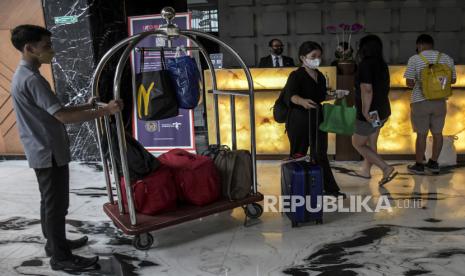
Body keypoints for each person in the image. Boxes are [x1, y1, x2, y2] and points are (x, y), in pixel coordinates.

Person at [10, 25, 123, 271]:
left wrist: (87, 106)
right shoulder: (31, 78)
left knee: (50, 203)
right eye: (46, 46)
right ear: (29, 48)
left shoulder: (27, 75)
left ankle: (55, 245)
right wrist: (105, 111)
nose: (51, 50)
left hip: (44, 148)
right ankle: (60, 258)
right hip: (46, 150)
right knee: (55, 205)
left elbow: (55, 109)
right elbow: (62, 117)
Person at [282, 41, 346, 198]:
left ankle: (330, 189)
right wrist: (302, 101)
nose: (317, 59)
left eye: (319, 56)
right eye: (313, 56)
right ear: (303, 58)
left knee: (320, 154)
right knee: (299, 154)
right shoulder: (296, 75)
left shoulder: (320, 76)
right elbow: (291, 95)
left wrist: (334, 95)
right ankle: (296, 190)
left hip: (317, 117)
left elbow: (320, 96)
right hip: (299, 120)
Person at [404, 34, 456, 175]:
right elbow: (452, 81)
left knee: (421, 134)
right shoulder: (446, 58)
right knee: (438, 133)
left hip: (421, 102)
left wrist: (422, 84)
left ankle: (419, 165)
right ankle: (433, 163)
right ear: (432, 44)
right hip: (440, 102)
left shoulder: (415, 59)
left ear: (419, 45)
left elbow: (409, 82)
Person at [351, 34, 397, 186]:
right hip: (381, 111)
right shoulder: (382, 64)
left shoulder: (365, 64)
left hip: (370, 113)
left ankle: (386, 168)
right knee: (371, 141)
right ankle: (365, 170)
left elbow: (367, 89)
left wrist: (365, 111)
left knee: (357, 143)